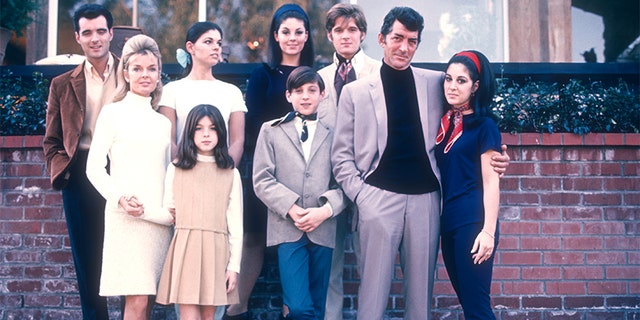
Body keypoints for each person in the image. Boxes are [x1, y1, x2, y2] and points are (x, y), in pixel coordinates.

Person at [331, 7, 510, 319]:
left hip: (426, 203)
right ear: (381, 39)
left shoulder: (436, 82)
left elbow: (475, 111)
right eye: (398, 38)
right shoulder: (354, 92)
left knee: (419, 301)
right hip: (377, 199)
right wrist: (361, 196)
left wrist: (496, 153)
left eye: (412, 41)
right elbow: (341, 156)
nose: (404, 47)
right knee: (372, 296)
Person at [228, 4, 314, 319]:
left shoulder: (314, 76)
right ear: (275, 36)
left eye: (299, 32)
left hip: (306, 175)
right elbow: (252, 128)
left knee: (297, 247)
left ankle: (293, 310)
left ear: (307, 36)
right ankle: (237, 308)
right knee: (253, 239)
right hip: (267, 171)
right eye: (286, 32)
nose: (292, 38)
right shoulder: (262, 75)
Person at [85, 34, 173, 319]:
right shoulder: (112, 114)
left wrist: (170, 208)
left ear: (159, 74)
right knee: (135, 299)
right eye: (137, 68)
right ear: (126, 73)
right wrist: (120, 198)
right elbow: (94, 168)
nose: (144, 75)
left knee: (146, 300)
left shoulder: (163, 122)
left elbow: (168, 170)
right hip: (127, 216)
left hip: (157, 219)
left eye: (151, 69)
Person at [253, 66, 346, 320]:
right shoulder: (270, 130)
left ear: (323, 94)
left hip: (322, 228)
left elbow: (343, 184)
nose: (305, 96)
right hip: (287, 228)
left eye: (311, 90)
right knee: (298, 307)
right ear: (288, 96)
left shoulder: (335, 135)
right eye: (298, 91)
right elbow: (262, 180)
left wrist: (324, 211)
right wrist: (292, 208)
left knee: (318, 305)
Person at [42, 4, 117, 319]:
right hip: (81, 174)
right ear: (77, 37)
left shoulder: (132, 73)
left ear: (111, 33)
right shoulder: (62, 84)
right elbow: (52, 140)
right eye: (87, 32)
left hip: (123, 169)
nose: (95, 38)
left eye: (101, 31)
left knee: (128, 258)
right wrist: (63, 170)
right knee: (88, 264)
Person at [315, 4, 380, 319]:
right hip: (329, 185)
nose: (345, 36)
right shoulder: (319, 78)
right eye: (338, 30)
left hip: (370, 182)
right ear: (329, 35)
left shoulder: (379, 73)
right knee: (332, 269)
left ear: (363, 34)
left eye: (351, 29)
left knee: (372, 265)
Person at [156, 104, 244, 320]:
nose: (206, 134)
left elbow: (235, 225)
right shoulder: (176, 169)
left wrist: (234, 267)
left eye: (212, 128)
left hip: (217, 251)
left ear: (221, 133)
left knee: (210, 317)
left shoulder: (230, 173)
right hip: (186, 248)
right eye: (199, 128)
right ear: (189, 132)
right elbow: (169, 211)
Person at [436, 50, 500, 319]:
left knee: (477, 308)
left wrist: (488, 232)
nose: (452, 86)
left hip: (473, 225)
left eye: (461, 81)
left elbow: (492, 182)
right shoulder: (445, 124)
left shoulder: (485, 126)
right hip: (448, 224)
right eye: (449, 79)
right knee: (468, 304)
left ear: (475, 87)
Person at [158, 21, 246, 165]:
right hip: (182, 175)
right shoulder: (172, 91)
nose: (216, 47)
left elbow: (237, 141)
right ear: (190, 47)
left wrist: (225, 171)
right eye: (208, 42)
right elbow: (169, 141)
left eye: (218, 43)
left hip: (221, 175)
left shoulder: (232, 92)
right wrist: (180, 169)